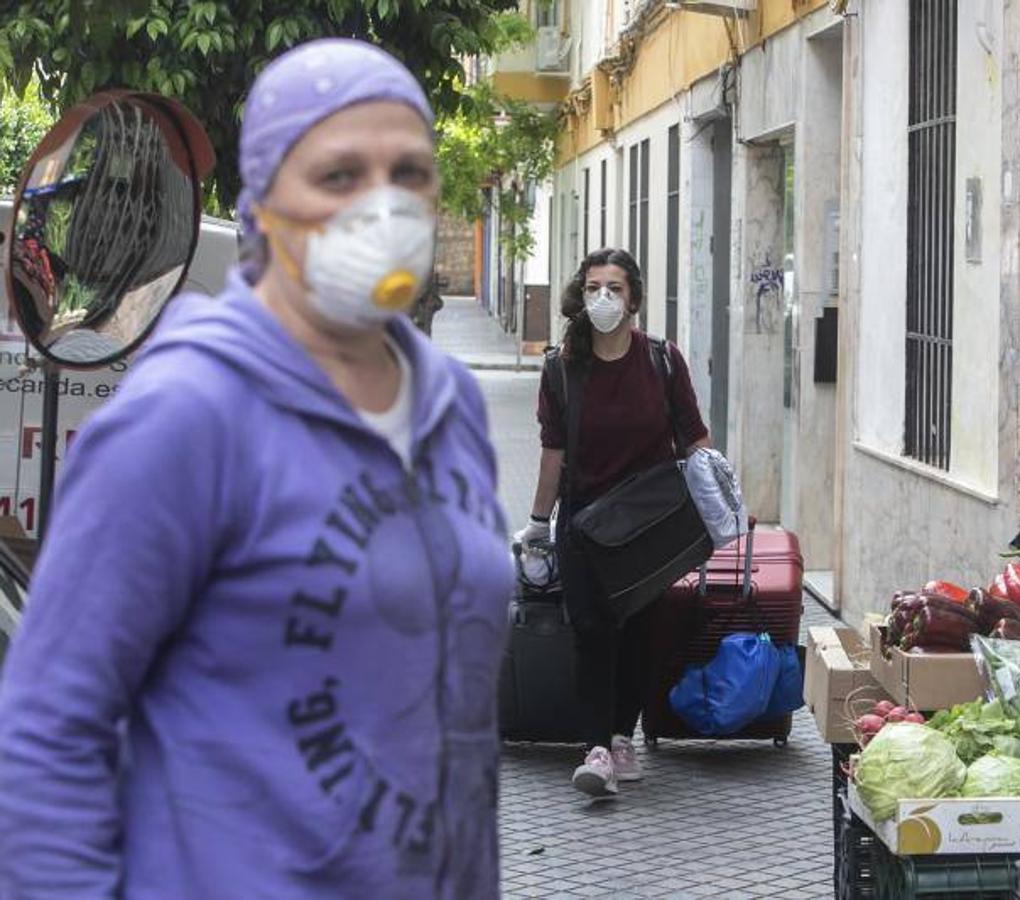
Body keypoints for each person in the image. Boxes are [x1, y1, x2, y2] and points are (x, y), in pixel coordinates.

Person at [0, 39, 514, 898]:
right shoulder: (188, 415)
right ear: (264, 204)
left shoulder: (450, 403)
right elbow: (48, 735)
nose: (382, 205)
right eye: (339, 175)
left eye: (410, 173)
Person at [517, 247, 712, 799]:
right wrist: (538, 523)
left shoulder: (663, 362)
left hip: (651, 529)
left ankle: (624, 736)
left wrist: (718, 501)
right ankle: (596, 749)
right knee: (593, 634)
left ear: (635, 299)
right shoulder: (561, 368)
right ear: (580, 295)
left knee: (640, 636)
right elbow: (552, 452)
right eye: (595, 286)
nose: (604, 297)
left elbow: (695, 439)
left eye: (616, 288)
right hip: (584, 525)